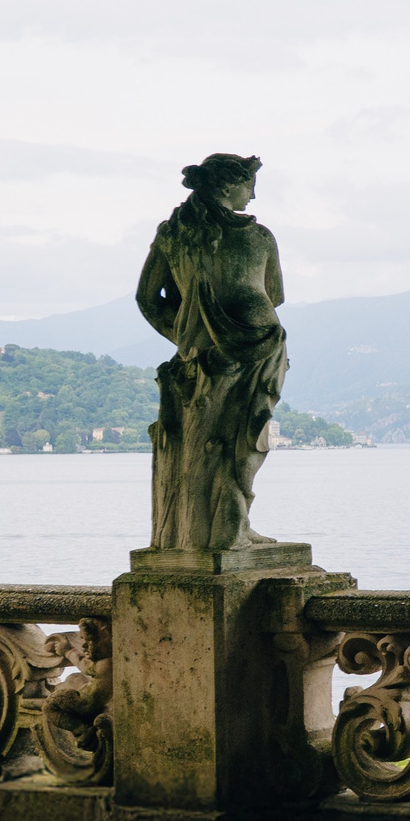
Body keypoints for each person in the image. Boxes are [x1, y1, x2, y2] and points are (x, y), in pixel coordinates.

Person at [136, 153, 290, 550]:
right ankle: (228, 527)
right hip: (260, 346)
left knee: (221, 439)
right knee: (247, 437)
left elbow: (148, 299)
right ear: (227, 185)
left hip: (207, 353)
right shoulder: (259, 238)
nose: (253, 195)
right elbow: (272, 295)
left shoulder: (173, 234)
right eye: (248, 184)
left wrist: (188, 339)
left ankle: (223, 527)